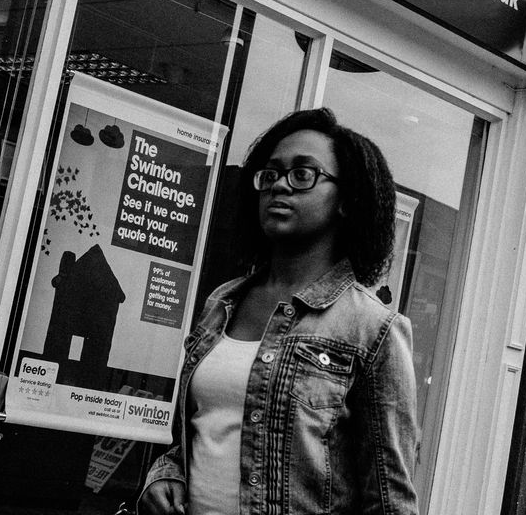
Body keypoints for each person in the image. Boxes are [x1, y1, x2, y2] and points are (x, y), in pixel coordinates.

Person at [138, 108, 418, 515]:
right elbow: (192, 439)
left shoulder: (373, 330)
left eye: (303, 174)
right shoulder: (223, 302)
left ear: (346, 200)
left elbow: (390, 500)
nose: (279, 186)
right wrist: (165, 474)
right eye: (270, 175)